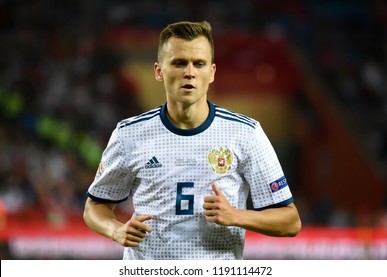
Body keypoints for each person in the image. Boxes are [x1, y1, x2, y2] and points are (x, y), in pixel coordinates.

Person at [83, 20, 301, 260]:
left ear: (212, 72)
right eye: (179, 63)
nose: (189, 72)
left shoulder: (246, 134)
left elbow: (290, 221)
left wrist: (237, 216)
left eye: (199, 63)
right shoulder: (129, 135)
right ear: (159, 71)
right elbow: (95, 206)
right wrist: (116, 230)